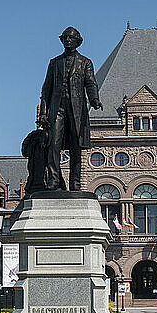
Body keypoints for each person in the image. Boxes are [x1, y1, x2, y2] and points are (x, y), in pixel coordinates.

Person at [39, 27, 103, 191]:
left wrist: (94, 99)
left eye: (71, 38)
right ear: (62, 40)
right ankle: (53, 180)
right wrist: (43, 113)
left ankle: (75, 182)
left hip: (76, 109)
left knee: (76, 146)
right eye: (65, 38)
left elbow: (90, 83)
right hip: (57, 108)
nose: (68, 40)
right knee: (53, 144)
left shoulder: (85, 62)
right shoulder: (54, 63)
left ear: (77, 41)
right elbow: (46, 88)